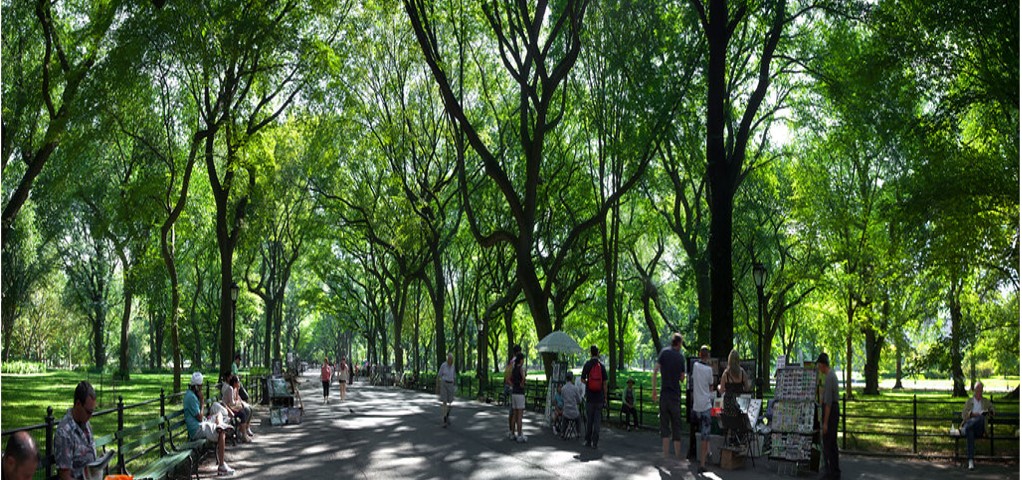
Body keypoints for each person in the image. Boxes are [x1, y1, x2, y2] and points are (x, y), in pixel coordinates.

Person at [185, 372, 234, 476]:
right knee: (221, 432)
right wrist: (202, 401)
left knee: (218, 414)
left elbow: (200, 417)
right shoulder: (191, 397)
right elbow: (199, 417)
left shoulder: (192, 394)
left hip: (202, 423)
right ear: (197, 386)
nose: (202, 388)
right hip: (197, 429)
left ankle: (220, 424)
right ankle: (221, 467)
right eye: (201, 386)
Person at [652, 333, 686, 460]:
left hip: (664, 394)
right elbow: (682, 378)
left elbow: (655, 371)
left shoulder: (663, 353)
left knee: (664, 425)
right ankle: (677, 456)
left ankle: (665, 456)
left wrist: (654, 390)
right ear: (679, 343)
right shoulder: (680, 357)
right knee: (676, 425)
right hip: (675, 395)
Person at [54, 381, 97, 480]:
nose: (90, 416)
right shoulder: (64, 432)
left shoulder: (85, 423)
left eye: (92, 412)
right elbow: (65, 476)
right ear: (78, 404)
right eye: (88, 412)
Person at [690, 345, 714, 473]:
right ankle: (702, 464)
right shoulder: (709, 370)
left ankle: (708, 450)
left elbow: (694, 381)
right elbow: (710, 387)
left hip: (696, 405)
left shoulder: (695, 366)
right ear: (708, 356)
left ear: (700, 354)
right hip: (705, 405)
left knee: (698, 430)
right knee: (705, 434)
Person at [960, 381, 993, 471]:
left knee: (981, 418)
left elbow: (992, 411)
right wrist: (971, 414)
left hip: (980, 429)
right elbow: (963, 415)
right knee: (970, 432)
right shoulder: (969, 401)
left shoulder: (986, 401)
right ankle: (970, 461)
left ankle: (965, 428)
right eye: (977, 390)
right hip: (971, 428)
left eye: (981, 390)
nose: (979, 392)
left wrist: (990, 411)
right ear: (974, 391)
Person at [817, 353, 840, 480]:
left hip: (831, 412)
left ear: (822, 364)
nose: (818, 368)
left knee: (828, 443)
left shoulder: (830, 377)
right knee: (831, 443)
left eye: (819, 365)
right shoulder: (830, 376)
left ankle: (830, 472)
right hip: (833, 410)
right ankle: (833, 472)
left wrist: (825, 422)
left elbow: (829, 403)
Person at [580, 345, 608, 449]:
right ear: (598, 353)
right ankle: (595, 442)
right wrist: (605, 397)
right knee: (597, 421)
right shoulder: (602, 366)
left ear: (591, 353)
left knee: (589, 420)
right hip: (599, 398)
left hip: (590, 397)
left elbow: (582, 379)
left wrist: (588, 382)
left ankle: (588, 441)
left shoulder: (587, 364)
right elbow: (605, 383)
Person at [718, 349, 750, 419]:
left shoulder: (725, 373)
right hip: (740, 403)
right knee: (739, 422)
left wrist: (718, 387)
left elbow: (721, 390)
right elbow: (747, 388)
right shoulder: (742, 372)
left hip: (728, 403)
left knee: (729, 423)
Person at [222, 375, 254, 442]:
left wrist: (237, 391)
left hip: (231, 407)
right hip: (226, 408)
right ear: (234, 383)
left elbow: (237, 399)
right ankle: (243, 434)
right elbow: (232, 403)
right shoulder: (230, 389)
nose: (239, 383)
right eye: (238, 382)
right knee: (243, 413)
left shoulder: (234, 389)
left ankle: (243, 432)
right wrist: (238, 403)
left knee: (245, 411)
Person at [504, 345, 522, 440]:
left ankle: (511, 431)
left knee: (512, 411)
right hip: (515, 388)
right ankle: (513, 431)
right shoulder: (516, 362)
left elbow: (506, 375)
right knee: (515, 412)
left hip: (510, 386)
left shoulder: (510, 362)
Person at [510, 352, 527, 442]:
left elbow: (510, 379)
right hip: (520, 393)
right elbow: (523, 378)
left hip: (514, 392)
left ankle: (512, 433)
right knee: (520, 415)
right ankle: (520, 435)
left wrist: (514, 385)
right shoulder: (521, 368)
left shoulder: (513, 369)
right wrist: (522, 384)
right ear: (521, 360)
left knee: (514, 415)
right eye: (523, 359)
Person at [560, 371, 583, 439]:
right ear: (572, 378)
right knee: (578, 417)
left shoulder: (563, 388)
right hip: (574, 412)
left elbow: (562, 399)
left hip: (566, 411)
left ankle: (563, 432)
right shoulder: (575, 388)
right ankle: (578, 432)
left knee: (564, 417)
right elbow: (579, 400)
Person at [437, 353, 456, 427]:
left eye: (452, 360)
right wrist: (437, 386)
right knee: (444, 401)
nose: (451, 361)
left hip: (451, 384)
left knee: (451, 403)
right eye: (450, 360)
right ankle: (445, 418)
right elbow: (439, 375)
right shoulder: (443, 365)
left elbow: (454, 376)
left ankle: (447, 414)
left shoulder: (453, 366)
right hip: (444, 383)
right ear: (447, 359)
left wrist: (455, 385)